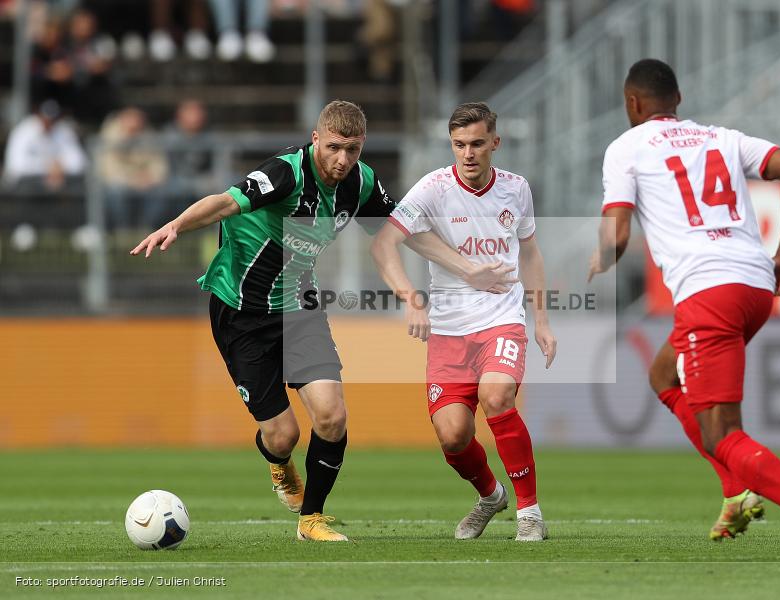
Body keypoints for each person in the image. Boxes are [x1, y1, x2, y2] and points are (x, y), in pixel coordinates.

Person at [131, 100, 513, 542]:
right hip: (241, 311)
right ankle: (278, 464)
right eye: (333, 147)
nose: (342, 160)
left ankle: (311, 520)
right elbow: (224, 202)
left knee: (331, 416)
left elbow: (402, 232)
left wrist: (467, 269)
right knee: (282, 435)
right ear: (316, 140)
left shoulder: (363, 182)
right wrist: (176, 225)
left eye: (352, 150)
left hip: (299, 306)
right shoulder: (286, 174)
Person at [588, 59, 780, 562]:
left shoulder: (626, 146)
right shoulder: (722, 137)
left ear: (632, 104)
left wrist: (599, 260)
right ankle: (736, 491)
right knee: (664, 375)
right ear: (679, 99)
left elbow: (617, 233)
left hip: (708, 293)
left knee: (721, 430)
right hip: (755, 287)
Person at [371, 102, 557, 542]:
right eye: (459, 145)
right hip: (449, 332)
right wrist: (411, 299)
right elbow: (383, 245)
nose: (468, 154)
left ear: (495, 142)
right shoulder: (433, 189)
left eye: (476, 144)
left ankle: (530, 511)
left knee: (497, 396)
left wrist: (542, 320)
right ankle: (490, 496)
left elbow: (530, 253)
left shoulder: (516, 189)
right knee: (453, 436)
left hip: (502, 321)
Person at [2, 99, 86, 191]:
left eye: (52, 120)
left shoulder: (64, 131)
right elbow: (16, 166)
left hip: (58, 189)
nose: (48, 123)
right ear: (38, 115)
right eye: (45, 118)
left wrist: (60, 167)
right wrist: (47, 166)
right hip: (24, 190)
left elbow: (80, 163)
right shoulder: (24, 131)